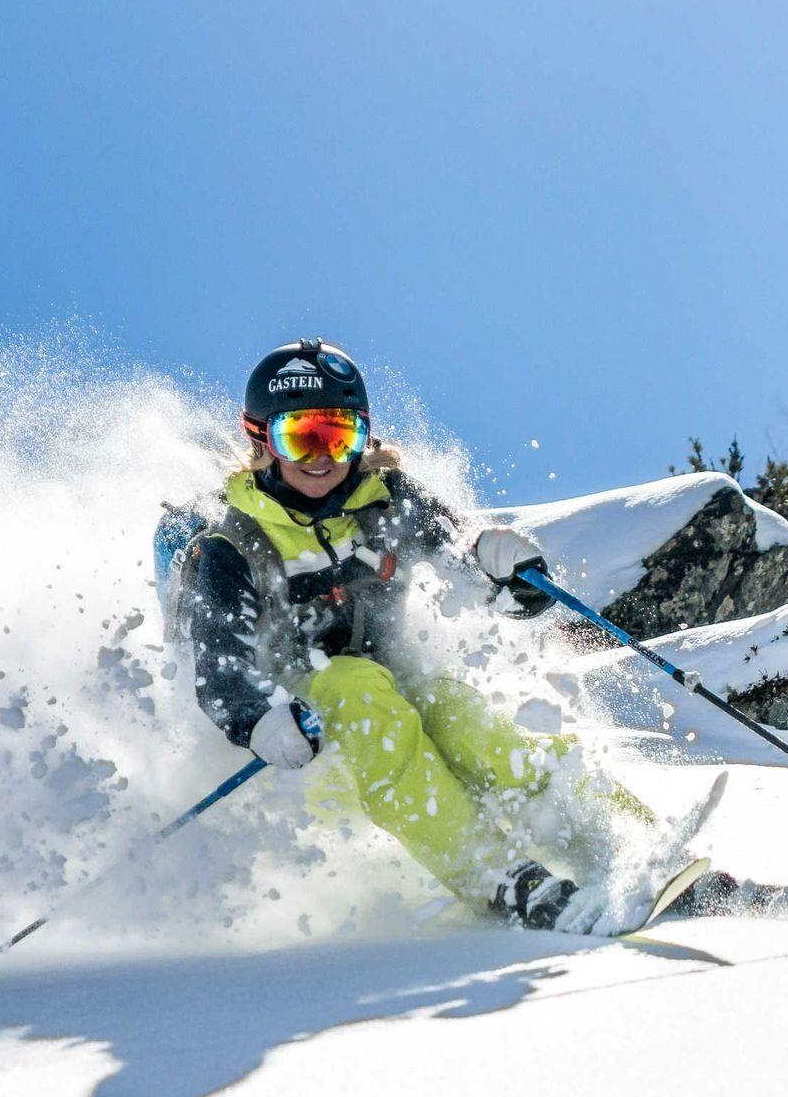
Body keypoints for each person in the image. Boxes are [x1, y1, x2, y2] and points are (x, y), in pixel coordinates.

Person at [153, 339, 652, 933]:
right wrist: (258, 720)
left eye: (339, 436)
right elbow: (219, 667)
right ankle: (499, 877)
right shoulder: (231, 544)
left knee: (459, 716)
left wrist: (506, 570)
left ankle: (622, 840)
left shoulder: (388, 502)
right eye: (301, 437)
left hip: (391, 692)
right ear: (262, 440)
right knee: (356, 686)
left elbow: (464, 557)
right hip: (307, 740)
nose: (322, 457)